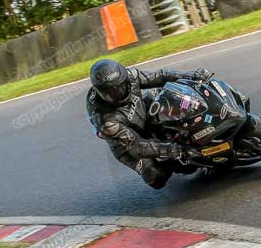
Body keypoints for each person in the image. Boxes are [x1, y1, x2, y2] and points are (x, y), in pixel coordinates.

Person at [86, 59, 212, 189]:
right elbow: (136, 146)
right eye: (111, 92)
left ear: (125, 79)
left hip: (141, 111)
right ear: (100, 93)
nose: (118, 93)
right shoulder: (105, 120)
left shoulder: (130, 76)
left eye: (121, 86)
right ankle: (178, 163)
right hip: (126, 144)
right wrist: (169, 150)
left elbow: (159, 76)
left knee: (166, 98)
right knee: (155, 177)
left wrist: (188, 76)